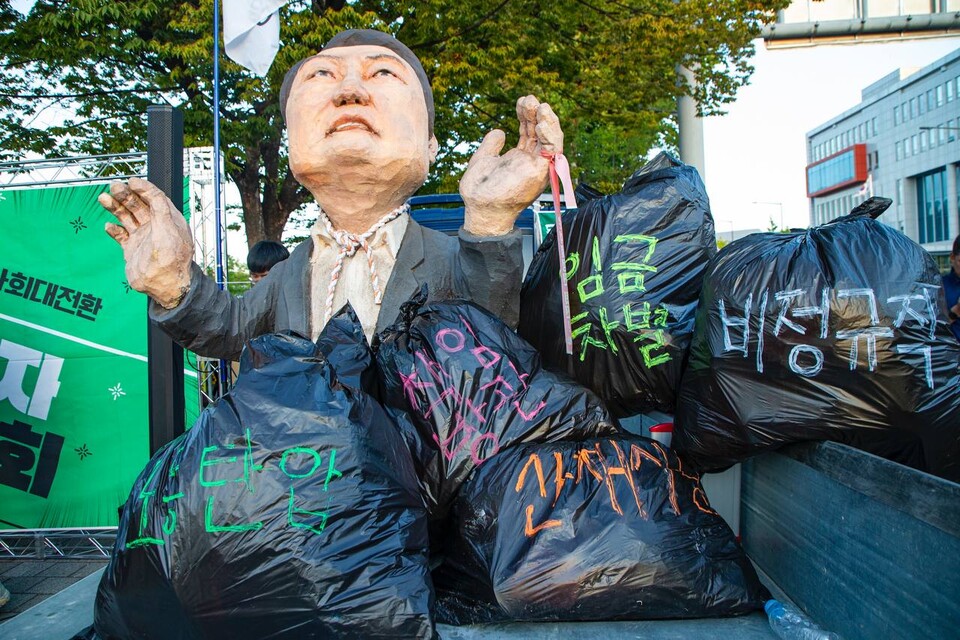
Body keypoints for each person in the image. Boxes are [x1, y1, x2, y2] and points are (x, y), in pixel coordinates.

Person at [98, 29, 563, 357]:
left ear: (429, 146)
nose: (349, 91)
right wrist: (174, 284)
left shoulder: (451, 260)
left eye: (382, 74)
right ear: (292, 139)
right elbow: (230, 331)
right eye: (321, 76)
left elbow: (496, 340)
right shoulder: (290, 274)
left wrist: (489, 221)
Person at [943, 235, 960, 341]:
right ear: (952, 257)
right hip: (950, 353)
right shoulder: (939, 287)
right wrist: (955, 312)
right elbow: (929, 329)